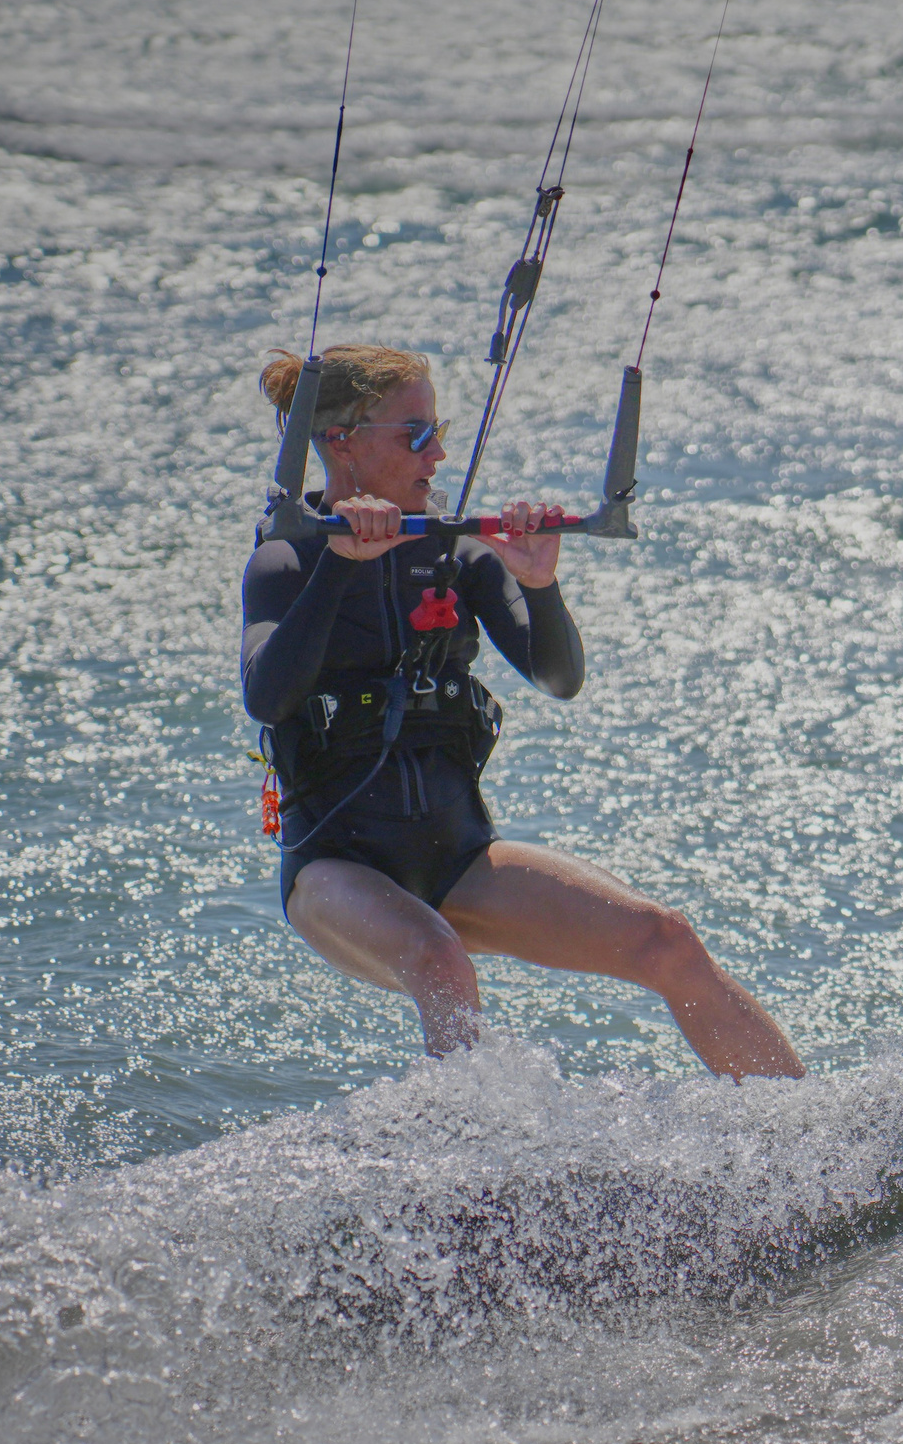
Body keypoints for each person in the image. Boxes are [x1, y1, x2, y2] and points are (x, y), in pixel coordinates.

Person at [239, 343, 804, 1076]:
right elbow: (267, 694)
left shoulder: (458, 556)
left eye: (438, 430)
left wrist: (538, 581)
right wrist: (343, 565)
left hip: (459, 857)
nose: (439, 452)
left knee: (665, 938)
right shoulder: (288, 563)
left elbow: (558, 676)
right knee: (438, 957)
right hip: (332, 875)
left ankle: (810, 1138)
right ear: (340, 441)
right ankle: (481, 1173)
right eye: (416, 434)